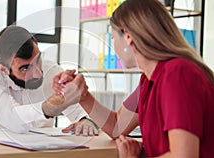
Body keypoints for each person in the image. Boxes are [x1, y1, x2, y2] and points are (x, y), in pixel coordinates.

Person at [50, 0, 214, 157]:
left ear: (128, 36)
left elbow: (183, 156)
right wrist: (82, 95)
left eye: (113, 38)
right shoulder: (149, 80)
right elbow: (117, 126)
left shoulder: (177, 74)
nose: (113, 48)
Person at [0, 25, 99, 136]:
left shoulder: (50, 70)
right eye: (25, 68)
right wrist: (48, 108)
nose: (37, 74)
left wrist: (84, 120)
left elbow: (77, 109)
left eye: (38, 60)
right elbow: (10, 118)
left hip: (41, 150)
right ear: (4, 70)